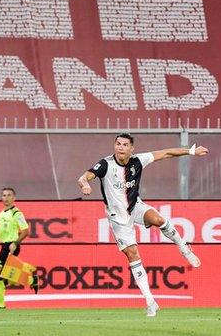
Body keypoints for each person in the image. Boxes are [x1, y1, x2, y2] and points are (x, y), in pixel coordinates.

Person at [77, 133, 206, 317]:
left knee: (160, 220)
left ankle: (184, 249)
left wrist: (191, 151)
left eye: (124, 145)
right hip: (118, 218)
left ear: (132, 149)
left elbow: (167, 153)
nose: (120, 148)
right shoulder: (105, 164)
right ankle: (150, 302)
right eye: (118, 144)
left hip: (135, 206)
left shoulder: (138, 160)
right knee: (133, 254)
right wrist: (84, 185)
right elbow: (84, 177)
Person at [0, 188, 38, 309]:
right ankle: (30, 278)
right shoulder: (1, 214)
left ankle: (0, 304)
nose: (6, 198)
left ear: (14, 198)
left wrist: (15, 243)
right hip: (4, 245)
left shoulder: (17, 213)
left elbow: (25, 231)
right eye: (4, 195)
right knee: (3, 275)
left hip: (11, 246)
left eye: (9, 195)